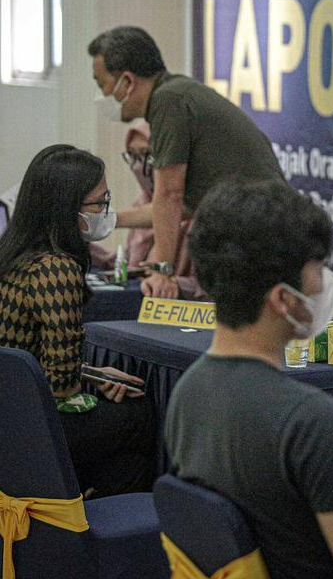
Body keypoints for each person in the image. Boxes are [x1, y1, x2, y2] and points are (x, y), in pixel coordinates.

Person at [165, 180, 333, 579]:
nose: (322, 285)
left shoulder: (187, 391)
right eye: (317, 270)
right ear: (282, 299)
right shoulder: (312, 421)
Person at [0, 145, 154, 496]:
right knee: (136, 412)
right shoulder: (57, 268)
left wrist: (94, 374)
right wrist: (82, 379)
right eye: (100, 203)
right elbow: (61, 387)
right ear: (67, 207)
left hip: (10, 416)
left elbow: (27, 357)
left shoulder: (13, 254)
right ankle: (111, 514)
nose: (106, 211)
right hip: (28, 427)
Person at [88, 25, 284, 299]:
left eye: (102, 85)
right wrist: (104, 221)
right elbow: (175, 208)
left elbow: (169, 195)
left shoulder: (167, 102)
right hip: (263, 232)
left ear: (127, 81)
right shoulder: (177, 93)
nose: (101, 95)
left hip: (257, 239)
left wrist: (162, 271)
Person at [89, 120, 203, 298]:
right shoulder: (141, 203)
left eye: (146, 154)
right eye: (132, 156)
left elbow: (208, 287)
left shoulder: (200, 212)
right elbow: (128, 264)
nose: (138, 165)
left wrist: (171, 283)